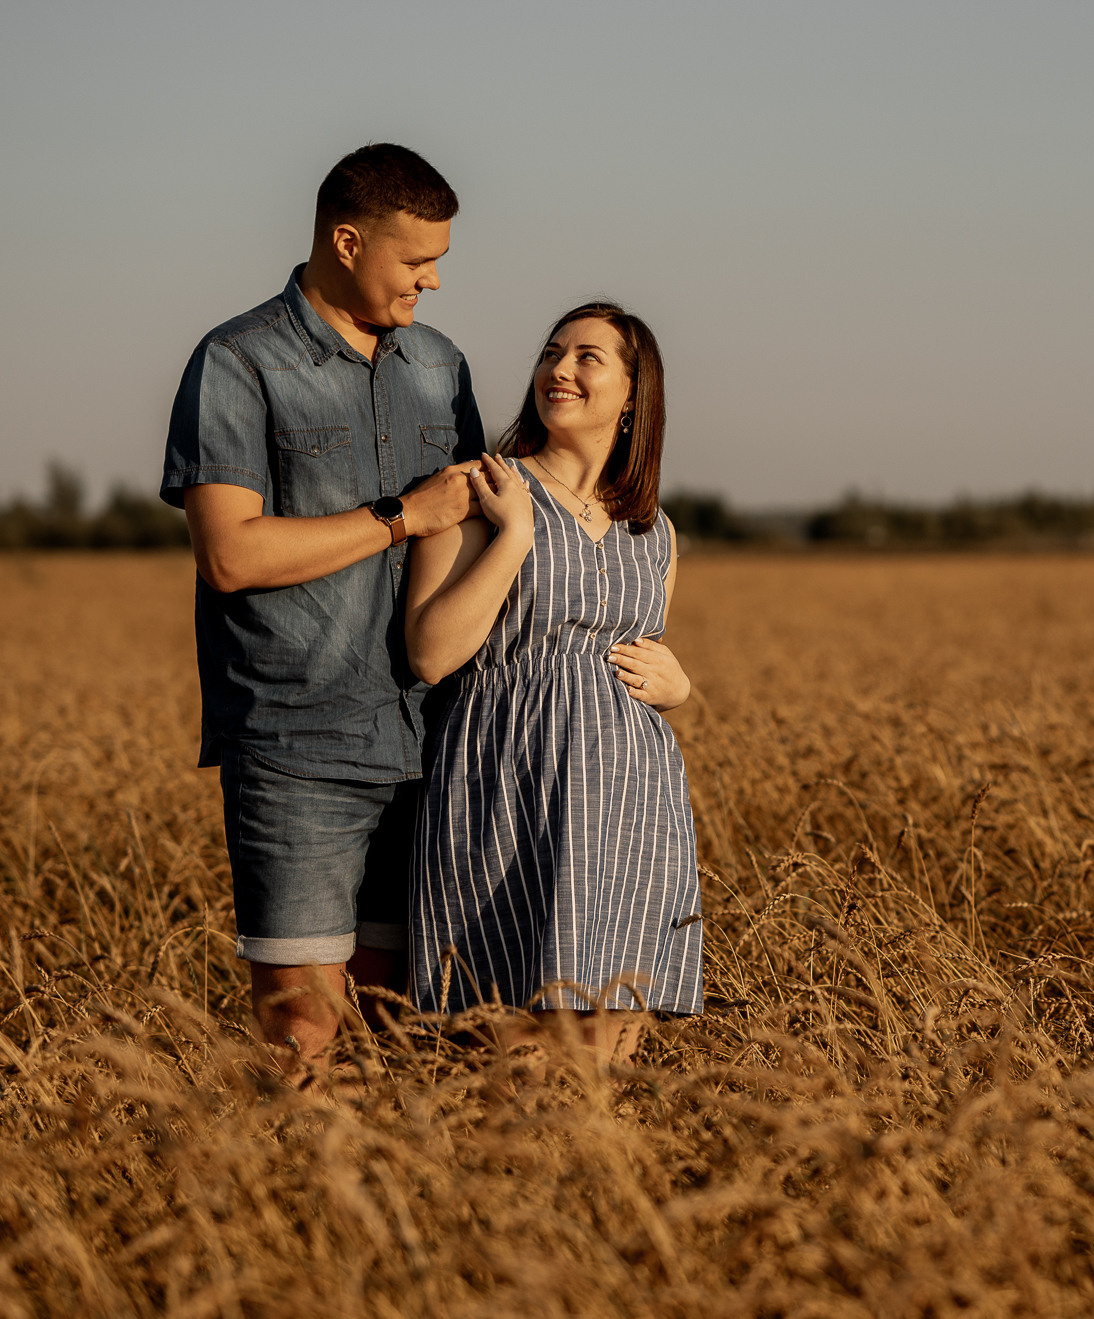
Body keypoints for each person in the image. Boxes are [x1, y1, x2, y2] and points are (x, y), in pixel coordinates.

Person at [159, 143, 484, 1073]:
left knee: (404, 1024)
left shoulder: (441, 365)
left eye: (440, 263)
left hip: (432, 744)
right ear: (347, 241)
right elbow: (230, 553)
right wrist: (399, 516)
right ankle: (290, 1208)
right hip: (296, 746)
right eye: (415, 260)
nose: (431, 280)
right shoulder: (236, 360)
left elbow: (468, 531)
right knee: (304, 1031)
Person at [403, 301, 702, 1066]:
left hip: (631, 808)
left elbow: (645, 652)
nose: (559, 370)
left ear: (635, 395)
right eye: (551, 351)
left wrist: (679, 689)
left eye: (587, 357)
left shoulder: (655, 531)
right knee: (505, 1041)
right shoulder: (477, 491)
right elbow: (431, 653)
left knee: (609, 1047)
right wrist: (515, 537)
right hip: (507, 788)